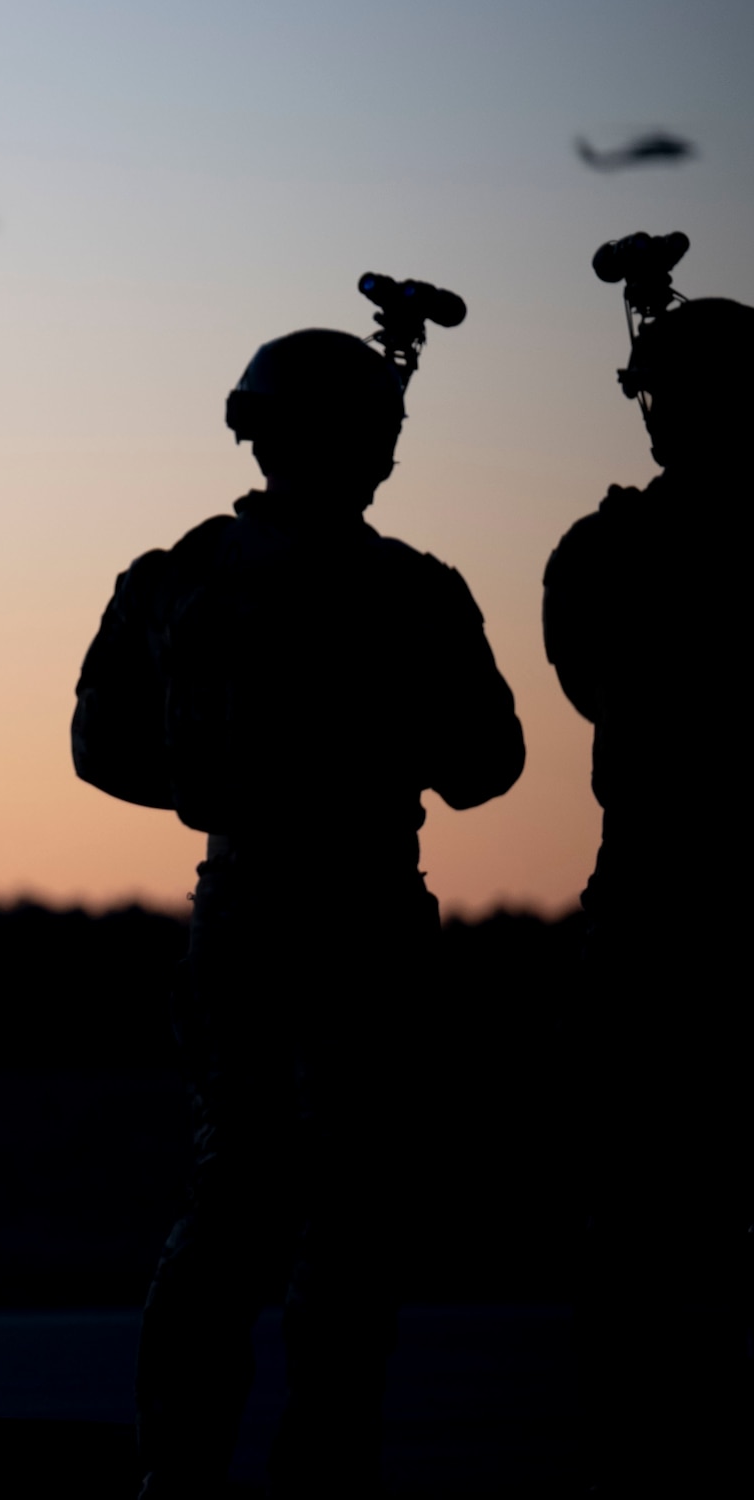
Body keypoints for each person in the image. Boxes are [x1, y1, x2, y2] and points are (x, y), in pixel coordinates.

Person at [72, 330, 524, 1496]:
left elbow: (101, 749)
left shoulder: (174, 579)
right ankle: (318, 1476)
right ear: (376, 449)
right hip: (363, 905)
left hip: (246, 903)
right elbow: (484, 766)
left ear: (251, 432)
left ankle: (178, 1474)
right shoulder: (415, 591)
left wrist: (220, 779)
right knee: (350, 1206)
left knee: (234, 1195)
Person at [543, 294, 754, 1493]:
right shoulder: (610, 551)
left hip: (652, 901)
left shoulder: (601, 552)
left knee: (630, 1219)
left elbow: (588, 689)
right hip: (681, 901)